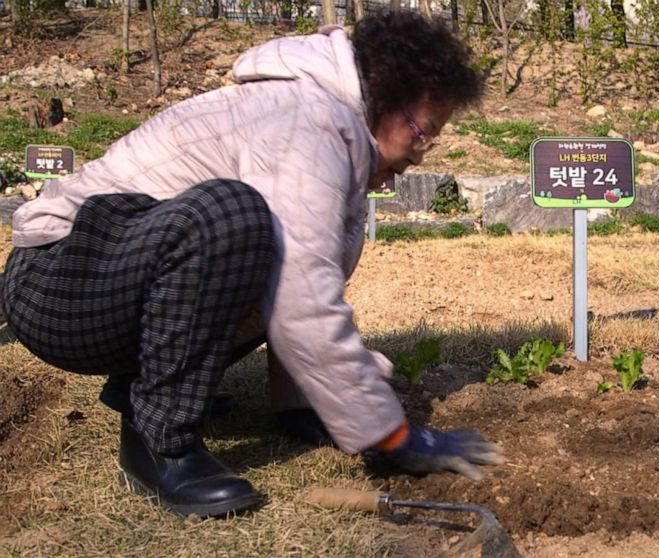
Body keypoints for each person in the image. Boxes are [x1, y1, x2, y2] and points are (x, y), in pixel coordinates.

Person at [0, 11, 503, 518]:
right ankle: (159, 442)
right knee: (230, 216)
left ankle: (149, 381)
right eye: (424, 131)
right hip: (57, 281)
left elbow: (296, 279)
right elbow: (301, 301)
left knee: (262, 245)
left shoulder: (332, 132)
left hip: (108, 280)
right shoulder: (306, 121)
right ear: (389, 97)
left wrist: (304, 404)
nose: (422, 154)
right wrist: (393, 434)